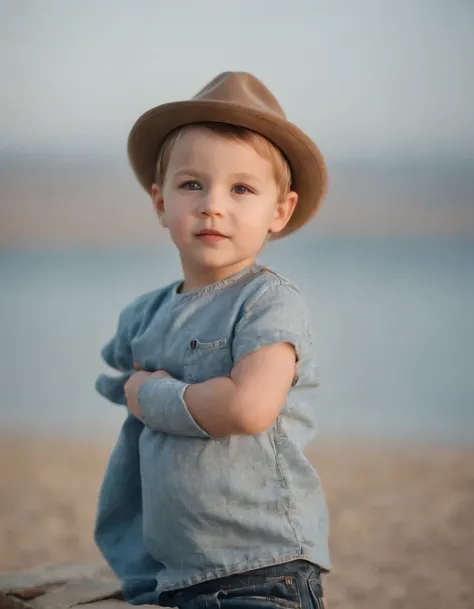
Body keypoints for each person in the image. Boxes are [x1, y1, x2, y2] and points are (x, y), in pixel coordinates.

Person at [95, 71, 330, 608]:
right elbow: (119, 376)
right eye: (191, 184)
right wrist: (130, 387)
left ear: (280, 210)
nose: (212, 205)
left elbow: (248, 408)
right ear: (160, 202)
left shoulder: (268, 303)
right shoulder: (144, 314)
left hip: (261, 567)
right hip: (171, 572)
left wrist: (148, 395)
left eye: (241, 188)